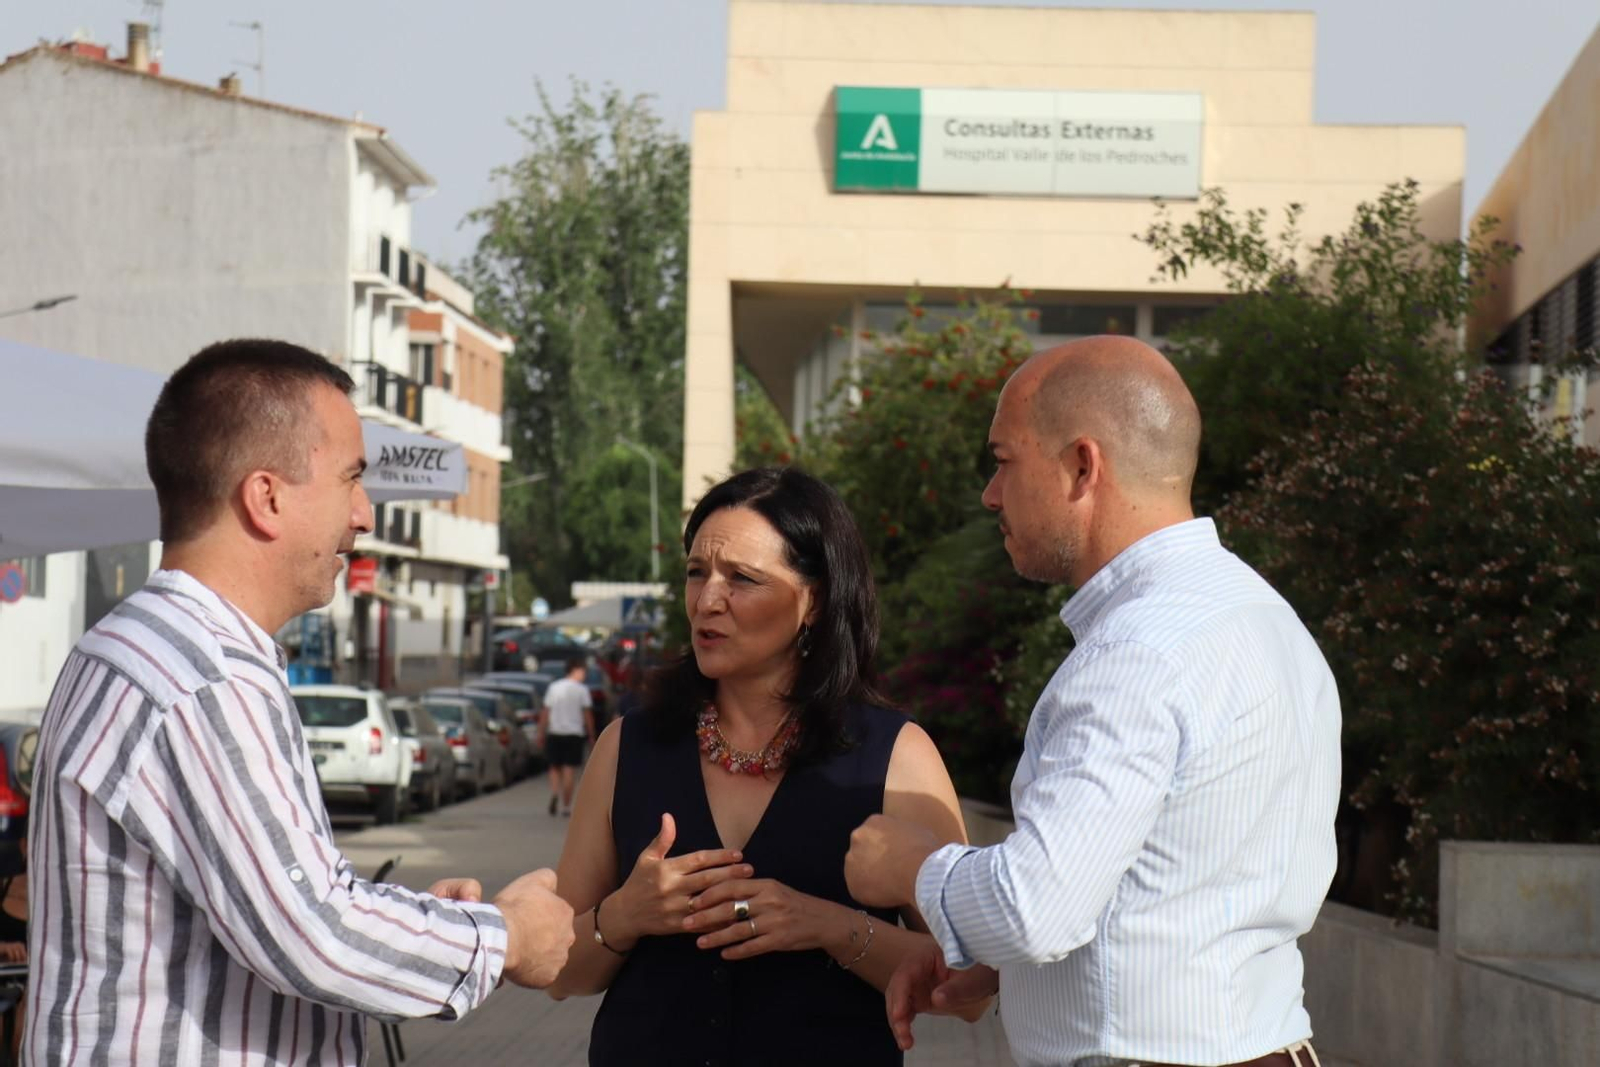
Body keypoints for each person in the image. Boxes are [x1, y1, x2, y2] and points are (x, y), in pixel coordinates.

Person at [26, 339, 576, 1065]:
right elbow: (313, 933)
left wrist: (423, 922)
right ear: (267, 496)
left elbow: (272, 900)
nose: (364, 513)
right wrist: (507, 936)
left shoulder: (130, 643)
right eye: (351, 477)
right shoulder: (204, 675)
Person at [845, 336, 1341, 1067]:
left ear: (1082, 465)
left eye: (1003, 460)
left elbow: (1033, 906)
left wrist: (912, 864)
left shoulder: (1136, 651)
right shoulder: (1265, 619)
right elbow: (1168, 890)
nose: (990, 493)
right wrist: (1007, 971)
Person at [544, 467, 980, 1066]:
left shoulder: (895, 755)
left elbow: (970, 987)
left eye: (742, 579)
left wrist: (831, 926)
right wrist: (625, 915)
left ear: (815, 600)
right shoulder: (626, 746)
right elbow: (556, 970)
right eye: (697, 573)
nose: (708, 600)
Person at [541, 654, 596, 816]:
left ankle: (554, 793)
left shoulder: (554, 687)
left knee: (554, 767)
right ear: (576, 670)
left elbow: (546, 711)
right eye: (584, 671)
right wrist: (592, 734)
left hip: (555, 731)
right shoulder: (582, 690)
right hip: (574, 733)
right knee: (569, 770)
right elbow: (587, 714)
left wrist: (541, 731)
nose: (584, 675)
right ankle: (566, 806)